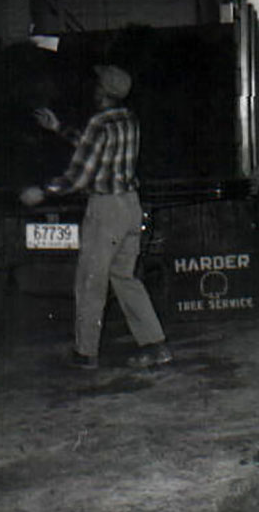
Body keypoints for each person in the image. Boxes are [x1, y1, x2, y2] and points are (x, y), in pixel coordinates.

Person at [20, 64, 172, 371]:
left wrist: (43, 191)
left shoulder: (99, 122)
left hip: (106, 210)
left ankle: (85, 353)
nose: (93, 88)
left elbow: (78, 176)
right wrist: (59, 128)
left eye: (97, 84)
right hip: (130, 205)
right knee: (125, 278)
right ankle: (156, 346)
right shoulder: (128, 119)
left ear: (103, 91)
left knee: (91, 281)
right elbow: (98, 150)